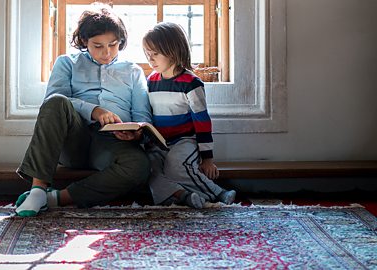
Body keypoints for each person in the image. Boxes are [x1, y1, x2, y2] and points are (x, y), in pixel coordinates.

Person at [15, 3, 152, 217]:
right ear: (84, 42)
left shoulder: (133, 72)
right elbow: (51, 103)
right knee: (56, 101)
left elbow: (143, 117)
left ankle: (55, 199)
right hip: (73, 140)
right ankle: (38, 189)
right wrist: (94, 110)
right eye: (97, 46)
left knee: (140, 165)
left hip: (112, 143)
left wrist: (136, 134)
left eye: (113, 45)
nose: (106, 53)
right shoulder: (66, 63)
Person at [142, 22, 236, 208]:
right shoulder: (151, 81)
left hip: (184, 140)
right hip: (159, 142)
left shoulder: (191, 83)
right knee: (149, 169)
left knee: (175, 166)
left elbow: (202, 121)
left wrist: (207, 158)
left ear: (173, 51)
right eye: (147, 54)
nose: (150, 59)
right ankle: (184, 196)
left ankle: (218, 193)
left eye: (155, 54)